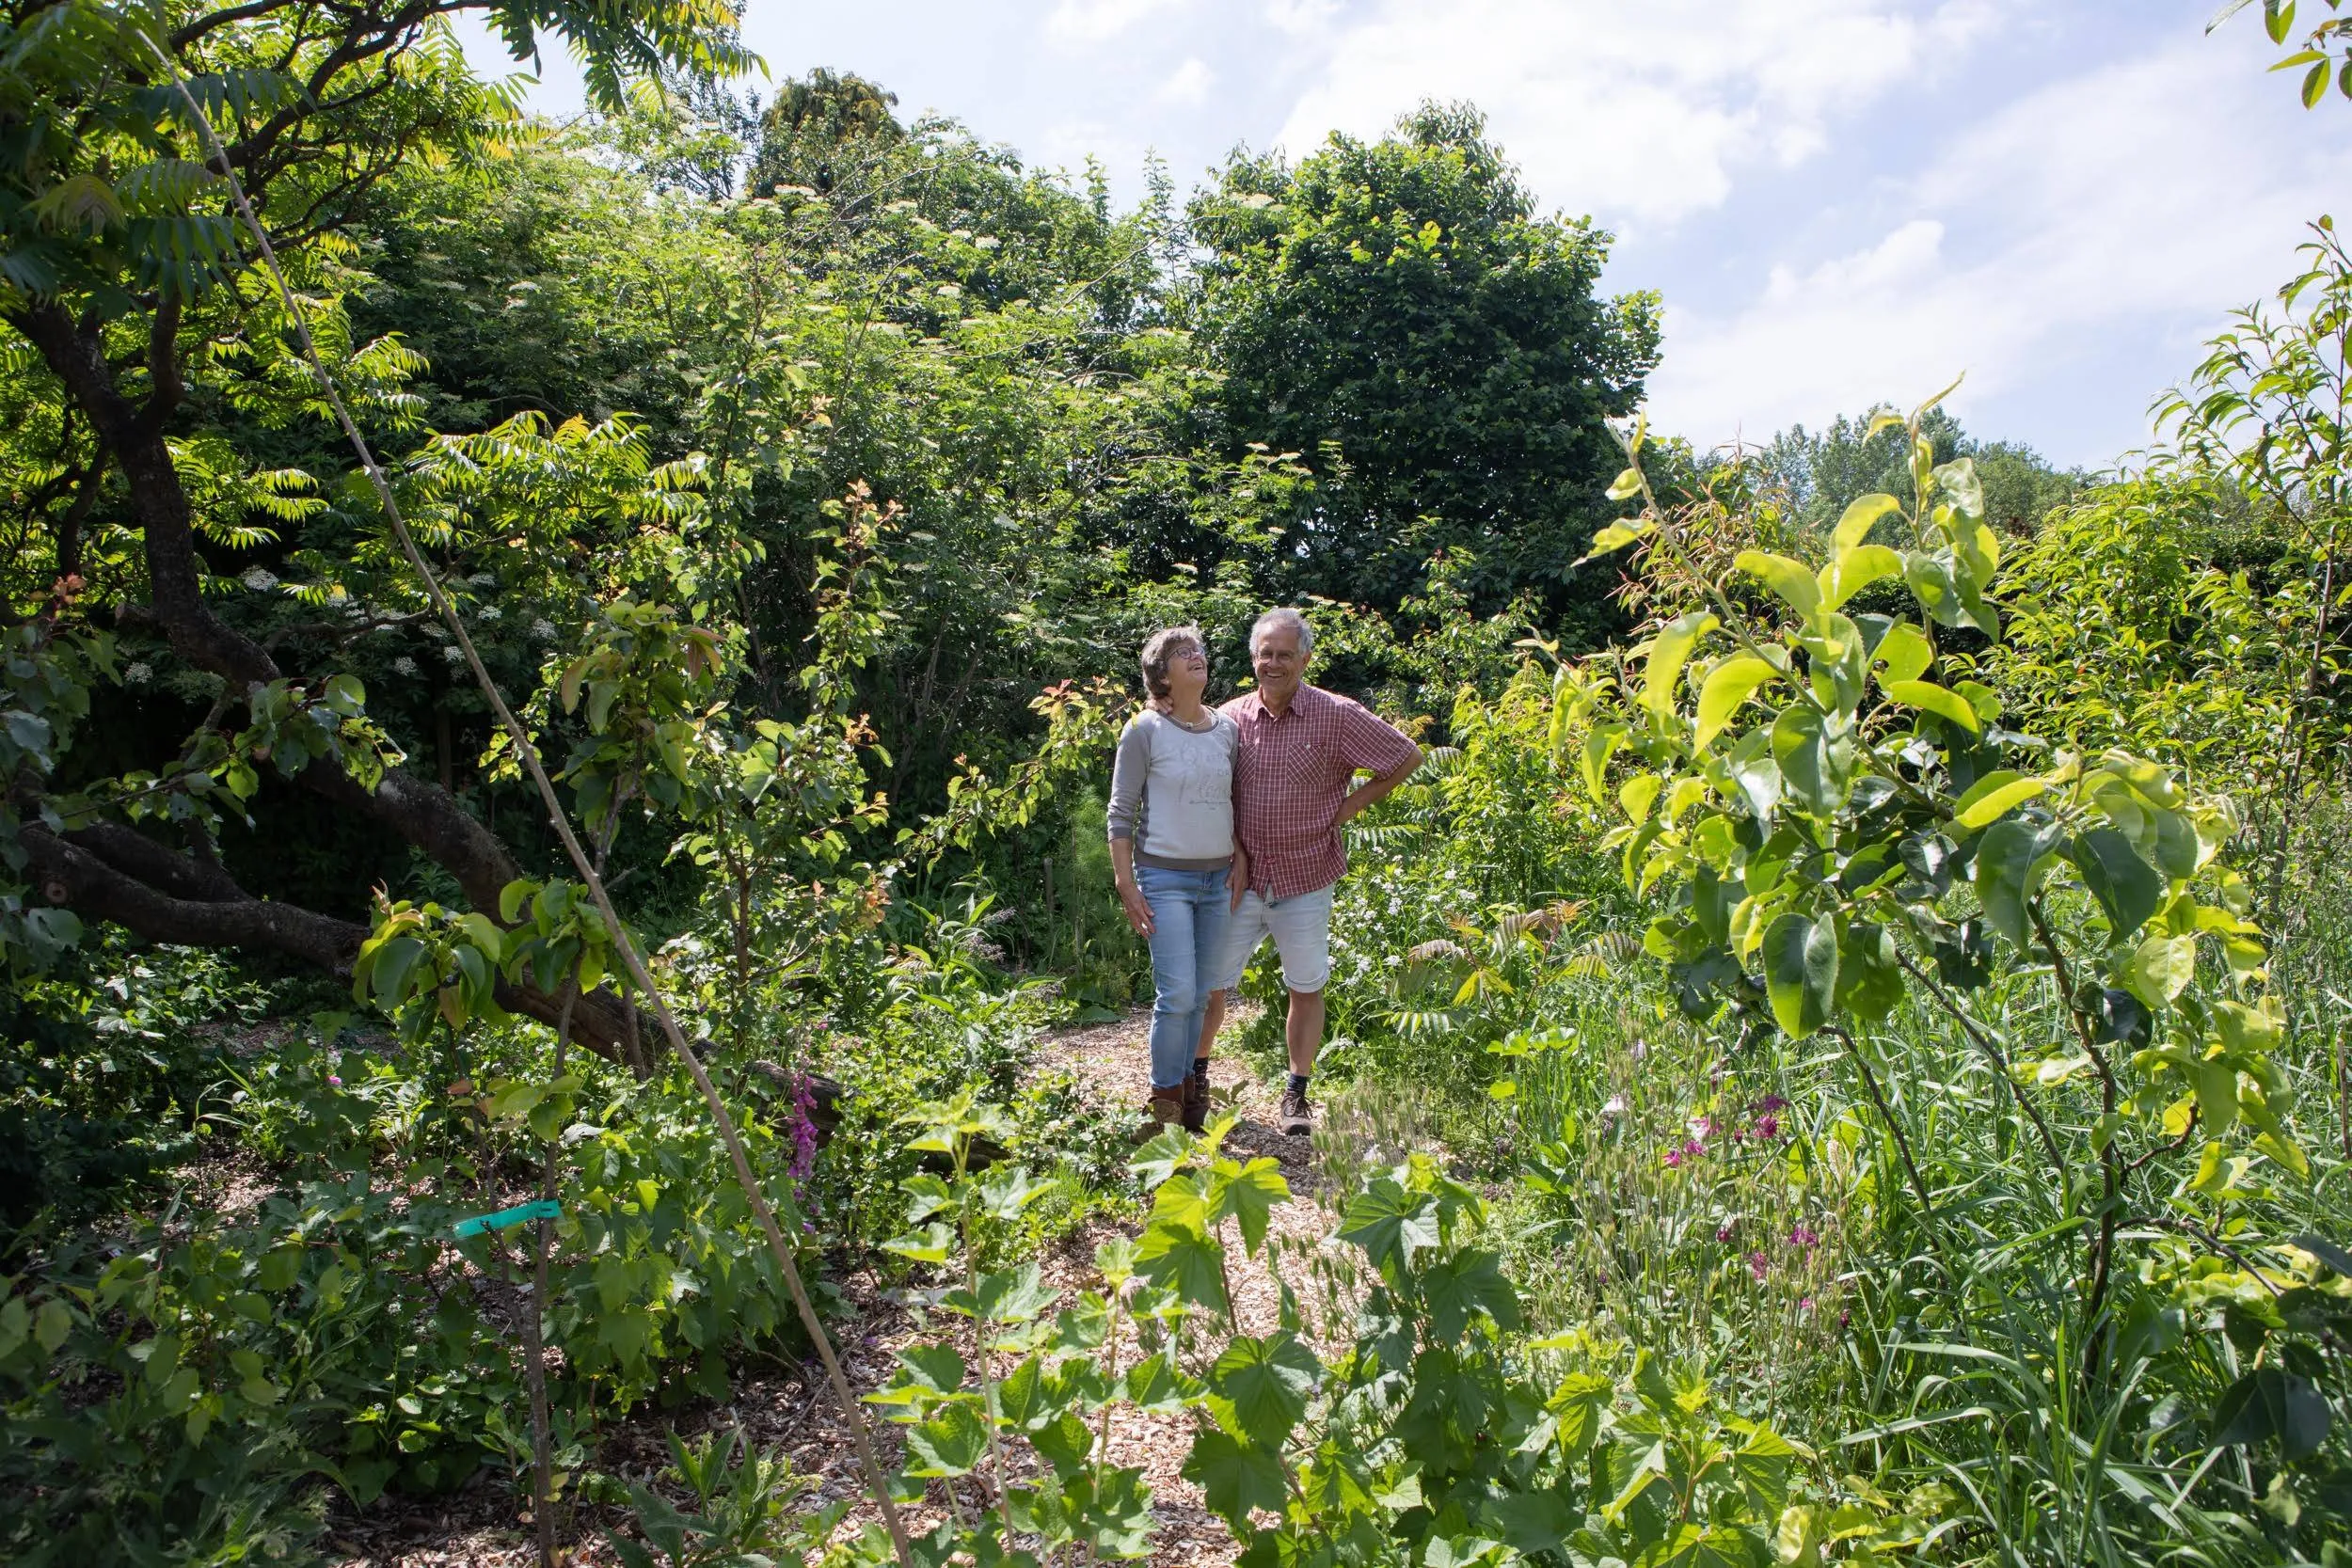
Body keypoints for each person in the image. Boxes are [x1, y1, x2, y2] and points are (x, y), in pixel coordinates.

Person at [1199, 608, 1421, 1136]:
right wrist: (1235, 847)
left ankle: (1296, 1095)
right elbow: (1211, 795)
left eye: (1283, 654)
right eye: (1264, 654)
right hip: (1239, 878)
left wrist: (1342, 811)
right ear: (1254, 658)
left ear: (1305, 658)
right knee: (1212, 985)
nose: (1272, 663)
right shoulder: (1228, 719)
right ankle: (1196, 1084)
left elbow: (1405, 757)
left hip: (1306, 874)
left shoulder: (1337, 715)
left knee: (1305, 985)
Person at [1106, 626, 1244, 1132]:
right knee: (1178, 994)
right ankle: (1163, 1106)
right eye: (1182, 653)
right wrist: (1126, 883)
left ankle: (1189, 1103)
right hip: (1163, 879)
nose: (1197, 657)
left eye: (1200, 651)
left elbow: (1235, 804)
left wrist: (1241, 860)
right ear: (1161, 675)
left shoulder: (1226, 730)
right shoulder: (1143, 730)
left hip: (1218, 880)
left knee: (1206, 992)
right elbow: (1121, 813)